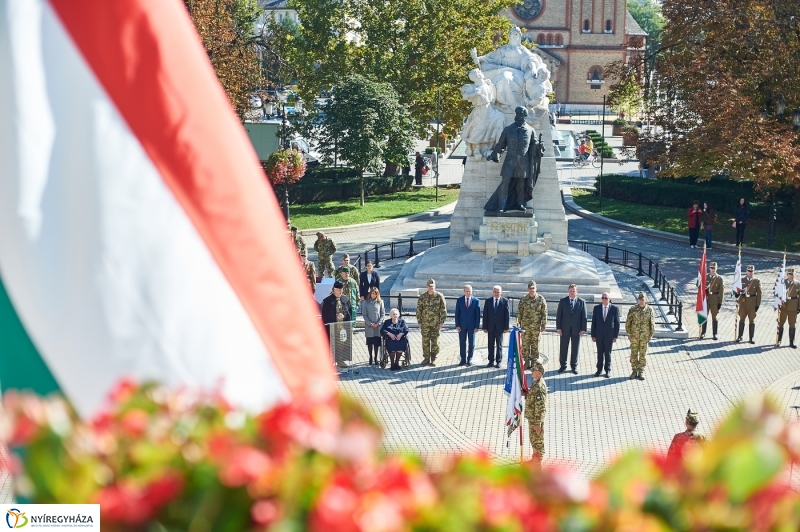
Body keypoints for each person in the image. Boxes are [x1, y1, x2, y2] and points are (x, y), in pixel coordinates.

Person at [484, 106, 542, 213]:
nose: (519, 116)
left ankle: (520, 203)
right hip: (509, 161)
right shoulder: (508, 129)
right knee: (505, 183)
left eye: (521, 114)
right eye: (517, 113)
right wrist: (494, 154)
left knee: (521, 184)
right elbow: (501, 145)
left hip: (523, 162)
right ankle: (502, 204)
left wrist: (539, 147)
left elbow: (534, 144)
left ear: (525, 116)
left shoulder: (530, 130)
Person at [556, 284, 587, 374]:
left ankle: (574, 366)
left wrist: (583, 329)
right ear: (568, 291)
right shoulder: (563, 301)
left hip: (576, 330)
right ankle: (563, 366)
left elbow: (584, 317)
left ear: (577, 291)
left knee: (575, 349)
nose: (572, 293)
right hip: (564, 329)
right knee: (563, 348)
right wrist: (558, 328)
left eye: (574, 291)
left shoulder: (582, 302)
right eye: (571, 291)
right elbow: (559, 316)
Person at [516, 280, 547, 369]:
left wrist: (544, 324)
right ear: (527, 289)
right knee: (525, 345)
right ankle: (526, 362)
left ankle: (534, 362)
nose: (532, 290)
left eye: (533, 288)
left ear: (536, 288)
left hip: (536, 327)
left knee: (535, 345)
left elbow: (544, 313)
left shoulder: (541, 299)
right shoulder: (523, 299)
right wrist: (518, 324)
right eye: (530, 288)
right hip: (525, 327)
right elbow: (519, 313)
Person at [416, 279, 447, 366]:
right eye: (429, 286)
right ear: (427, 287)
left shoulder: (439, 296)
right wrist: (419, 321)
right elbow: (419, 309)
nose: (431, 288)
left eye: (432, 286)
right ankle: (426, 358)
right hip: (425, 323)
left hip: (435, 323)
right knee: (425, 341)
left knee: (435, 341)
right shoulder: (422, 297)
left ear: (435, 286)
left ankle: (434, 358)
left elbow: (443, 309)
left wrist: (442, 321)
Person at [321, 281, 351, 368]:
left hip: (342, 327)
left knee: (341, 344)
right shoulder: (327, 301)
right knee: (331, 344)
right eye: (338, 290)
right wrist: (335, 316)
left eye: (341, 290)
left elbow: (349, 312)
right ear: (334, 290)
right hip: (331, 327)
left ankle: (340, 360)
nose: (340, 292)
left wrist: (343, 315)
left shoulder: (345, 299)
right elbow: (325, 315)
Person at [523, 361, 547, 467]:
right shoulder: (536, 383)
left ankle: (537, 464)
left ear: (540, 373)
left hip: (535, 419)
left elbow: (540, 407)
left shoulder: (539, 386)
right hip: (532, 418)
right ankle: (535, 459)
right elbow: (532, 397)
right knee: (533, 439)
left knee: (537, 441)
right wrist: (526, 393)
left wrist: (537, 423)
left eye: (534, 371)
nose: (532, 372)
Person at [590, 292, 620, 378]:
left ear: (609, 299)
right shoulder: (597, 308)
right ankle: (599, 370)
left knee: (608, 353)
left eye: (606, 298)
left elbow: (617, 323)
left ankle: (607, 370)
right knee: (599, 353)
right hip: (599, 335)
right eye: (602, 298)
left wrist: (615, 336)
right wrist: (593, 335)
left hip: (609, 335)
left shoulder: (614, 309)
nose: (604, 299)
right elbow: (594, 322)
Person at [626, 292, 655, 380]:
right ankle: (634, 371)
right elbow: (628, 322)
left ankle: (641, 371)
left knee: (643, 355)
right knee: (633, 354)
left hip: (644, 337)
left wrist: (651, 334)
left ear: (646, 300)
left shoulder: (649, 310)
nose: (641, 301)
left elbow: (652, 323)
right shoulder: (633, 309)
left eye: (643, 299)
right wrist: (628, 333)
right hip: (634, 336)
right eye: (640, 299)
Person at [482, 285, 510, 368]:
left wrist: (506, 327)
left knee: (499, 345)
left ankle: (498, 361)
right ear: (492, 292)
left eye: (498, 292)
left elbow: (507, 315)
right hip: (490, 327)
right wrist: (484, 327)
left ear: (501, 292)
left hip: (500, 327)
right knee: (490, 344)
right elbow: (485, 315)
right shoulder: (488, 301)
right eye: (495, 292)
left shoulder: (505, 301)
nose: (496, 293)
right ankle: (490, 361)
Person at [455, 285, 481, 366]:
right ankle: (463, 359)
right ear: (464, 291)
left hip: (472, 326)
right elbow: (457, 314)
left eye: (470, 291)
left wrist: (477, 326)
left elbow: (478, 315)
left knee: (471, 343)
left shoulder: (476, 301)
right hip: (462, 326)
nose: (468, 293)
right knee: (462, 342)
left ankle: (469, 358)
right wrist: (457, 325)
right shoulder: (459, 300)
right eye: (467, 291)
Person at [735, 265, 762, 344]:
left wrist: (757, 305)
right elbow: (737, 290)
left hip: (752, 303)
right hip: (743, 303)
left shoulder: (757, 281)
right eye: (749, 271)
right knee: (742, 319)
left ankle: (751, 337)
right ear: (746, 271)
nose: (750, 273)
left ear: (754, 272)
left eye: (751, 271)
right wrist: (737, 294)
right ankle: (740, 336)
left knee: (751, 320)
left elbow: (759, 294)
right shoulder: (741, 280)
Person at [362, 287, 385, 366]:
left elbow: (382, 314)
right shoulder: (366, 302)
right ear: (370, 293)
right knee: (370, 343)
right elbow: (364, 315)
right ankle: (370, 357)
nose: (373, 295)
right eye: (372, 293)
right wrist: (370, 323)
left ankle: (375, 358)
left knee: (376, 343)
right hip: (369, 326)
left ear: (377, 294)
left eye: (375, 294)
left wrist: (378, 323)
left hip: (377, 326)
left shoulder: (380, 302)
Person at [778, 268, 800, 348]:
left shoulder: (798, 283)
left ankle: (791, 342)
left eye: (793, 274)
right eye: (790, 274)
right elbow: (777, 293)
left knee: (792, 324)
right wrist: (778, 303)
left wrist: (799, 307)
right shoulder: (782, 282)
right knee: (781, 323)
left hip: (793, 306)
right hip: (784, 306)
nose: (791, 276)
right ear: (787, 275)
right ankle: (779, 340)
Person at [703, 262, 724, 340]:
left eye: (714, 268)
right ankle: (703, 332)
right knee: (704, 316)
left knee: (714, 317)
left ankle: (715, 334)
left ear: (716, 268)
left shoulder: (719, 278)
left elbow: (721, 291)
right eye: (711, 268)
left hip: (714, 300)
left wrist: (720, 302)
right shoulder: (705, 277)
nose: (713, 270)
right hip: (706, 299)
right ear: (709, 268)